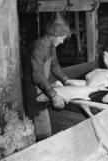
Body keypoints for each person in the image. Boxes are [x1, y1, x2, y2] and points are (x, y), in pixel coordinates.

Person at [24, 12, 75, 141]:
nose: (63, 41)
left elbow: (54, 65)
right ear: (55, 35)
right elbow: (37, 76)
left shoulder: (51, 46)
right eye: (62, 38)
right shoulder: (39, 47)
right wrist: (53, 94)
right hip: (33, 88)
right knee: (41, 119)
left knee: (43, 118)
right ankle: (43, 146)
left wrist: (66, 80)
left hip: (42, 85)